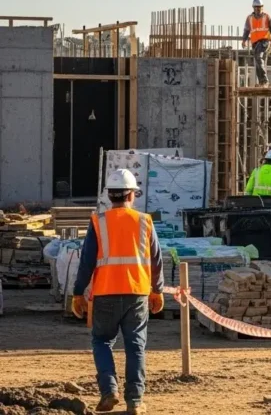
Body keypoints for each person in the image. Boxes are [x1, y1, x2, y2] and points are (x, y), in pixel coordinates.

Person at [72, 169, 164, 415]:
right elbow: (156, 259)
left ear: (109, 196)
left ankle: (109, 391)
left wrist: (78, 293)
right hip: (137, 294)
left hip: (105, 293)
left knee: (101, 341)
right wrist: (158, 290)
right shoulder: (144, 221)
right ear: (131, 195)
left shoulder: (98, 222)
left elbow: (87, 261)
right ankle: (134, 401)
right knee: (136, 346)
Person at [241, 0, 271, 86]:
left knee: (258, 57)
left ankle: (265, 80)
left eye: (260, 7)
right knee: (258, 62)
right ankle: (262, 82)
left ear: (262, 7)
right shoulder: (249, 18)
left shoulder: (266, 17)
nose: (258, 9)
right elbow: (246, 31)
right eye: (257, 7)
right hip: (255, 43)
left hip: (264, 42)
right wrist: (244, 40)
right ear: (253, 8)